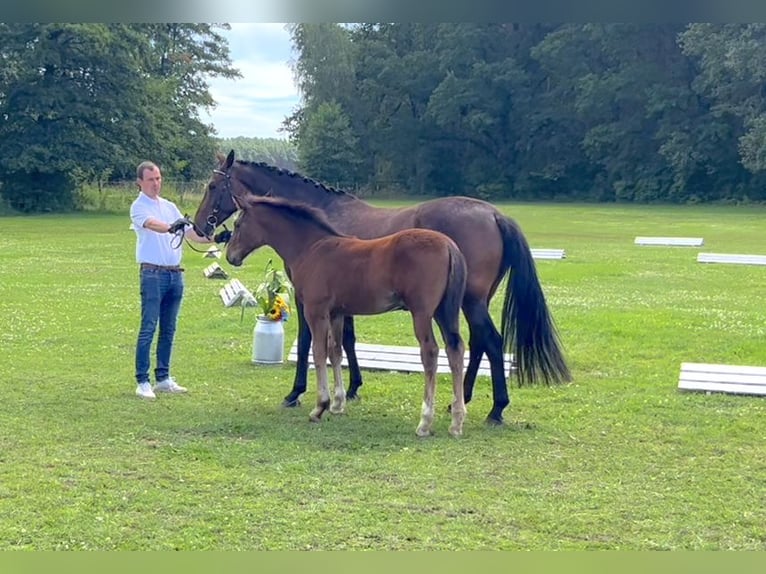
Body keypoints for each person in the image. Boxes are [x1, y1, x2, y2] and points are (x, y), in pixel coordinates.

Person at [130, 161, 231, 399]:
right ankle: (142, 380)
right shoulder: (138, 207)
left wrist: (216, 237)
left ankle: (163, 377)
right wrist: (171, 227)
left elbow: (192, 233)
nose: (156, 183)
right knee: (148, 327)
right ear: (140, 183)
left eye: (158, 178)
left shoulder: (169, 206)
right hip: (152, 274)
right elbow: (154, 225)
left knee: (169, 329)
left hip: (175, 274)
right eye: (151, 180)